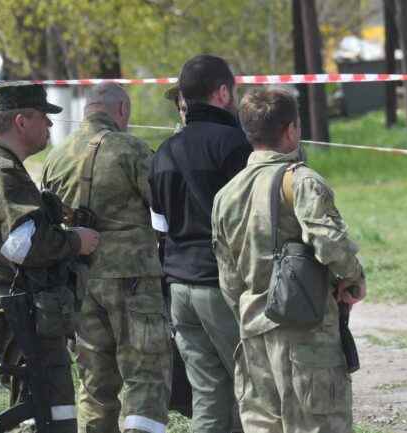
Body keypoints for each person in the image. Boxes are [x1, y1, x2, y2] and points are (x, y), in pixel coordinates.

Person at [211, 87, 366, 433]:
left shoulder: (226, 195)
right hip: (306, 334)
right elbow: (329, 242)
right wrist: (353, 279)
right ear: (292, 129)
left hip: (253, 333)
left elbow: (227, 276)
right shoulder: (301, 181)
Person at [41, 83, 172, 433]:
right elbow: (162, 207)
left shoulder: (57, 156)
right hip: (133, 279)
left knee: (94, 381)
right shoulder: (131, 149)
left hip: (80, 280)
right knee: (146, 372)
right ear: (123, 110)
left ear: (86, 111)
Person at [0, 84, 100, 433]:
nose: (50, 127)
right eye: (44, 119)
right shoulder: (2, 170)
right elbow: (20, 246)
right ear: (22, 121)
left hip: (15, 307)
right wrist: (75, 242)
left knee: (40, 410)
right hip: (20, 310)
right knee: (54, 412)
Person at [149, 54, 251, 433]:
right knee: (252, 387)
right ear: (223, 92)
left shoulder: (163, 151)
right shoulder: (237, 146)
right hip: (221, 287)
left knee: (207, 394)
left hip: (179, 288)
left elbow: (158, 224)